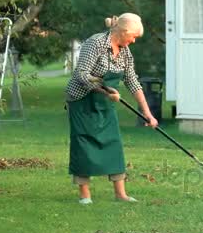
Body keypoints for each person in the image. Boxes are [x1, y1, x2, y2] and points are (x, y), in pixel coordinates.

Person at [65, 13, 159, 205]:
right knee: (83, 145)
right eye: (133, 37)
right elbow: (82, 74)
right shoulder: (96, 43)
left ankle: (121, 194)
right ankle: (85, 195)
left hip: (105, 102)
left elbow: (133, 82)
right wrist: (105, 90)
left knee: (113, 143)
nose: (133, 41)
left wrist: (147, 113)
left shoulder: (125, 52)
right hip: (82, 100)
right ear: (123, 31)